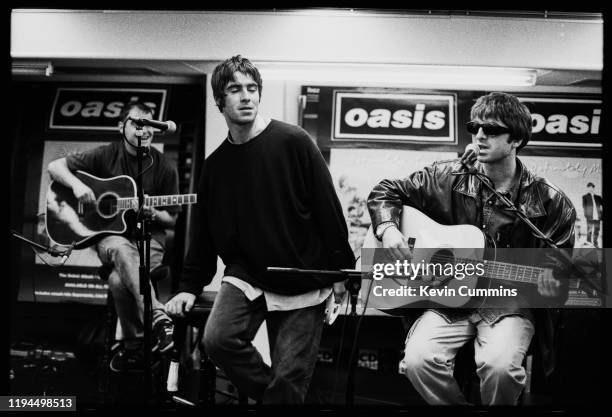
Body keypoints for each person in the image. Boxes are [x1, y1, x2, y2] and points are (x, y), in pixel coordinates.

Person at [165, 55, 355, 404]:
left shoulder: (293, 141)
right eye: (235, 89)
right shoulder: (215, 166)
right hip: (248, 273)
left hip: (303, 273)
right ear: (219, 100)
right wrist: (189, 287)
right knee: (218, 340)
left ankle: (282, 399)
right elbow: (205, 233)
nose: (246, 96)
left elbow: (329, 209)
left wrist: (341, 272)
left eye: (252, 88)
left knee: (289, 378)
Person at [367, 92, 576, 405]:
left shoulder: (550, 201)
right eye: (474, 127)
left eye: (491, 130)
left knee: (500, 367)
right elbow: (385, 192)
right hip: (449, 299)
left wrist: (552, 280)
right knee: (417, 361)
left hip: (507, 303)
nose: (479, 135)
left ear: (516, 139)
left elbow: (560, 270)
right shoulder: (447, 177)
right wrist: (388, 229)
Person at [47, 101, 180, 372]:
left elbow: (172, 220)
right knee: (121, 248)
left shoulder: (164, 166)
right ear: (121, 127)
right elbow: (55, 167)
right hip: (109, 236)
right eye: (137, 124)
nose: (144, 131)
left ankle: (134, 348)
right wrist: (78, 186)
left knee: (120, 281)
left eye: (150, 126)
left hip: (149, 239)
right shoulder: (107, 154)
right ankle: (158, 317)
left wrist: (152, 212)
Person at [582, 182, 603, 247]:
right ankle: (589, 243)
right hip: (590, 216)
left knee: (597, 230)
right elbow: (584, 206)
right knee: (589, 230)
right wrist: (586, 215)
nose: (590, 189)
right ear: (587, 188)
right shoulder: (585, 197)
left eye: (591, 187)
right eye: (589, 188)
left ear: (593, 188)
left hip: (597, 216)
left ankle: (595, 243)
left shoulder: (598, 197)